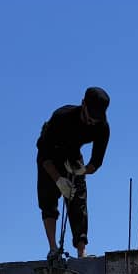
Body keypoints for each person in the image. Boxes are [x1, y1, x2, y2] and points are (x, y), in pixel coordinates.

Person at [37, 86, 110, 260]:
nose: (92, 122)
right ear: (83, 104)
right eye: (89, 118)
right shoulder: (62, 117)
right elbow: (45, 156)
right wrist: (59, 181)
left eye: (96, 120)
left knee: (78, 199)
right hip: (50, 154)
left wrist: (81, 171)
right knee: (48, 198)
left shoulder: (102, 127)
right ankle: (53, 248)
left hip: (73, 155)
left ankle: (81, 251)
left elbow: (95, 163)